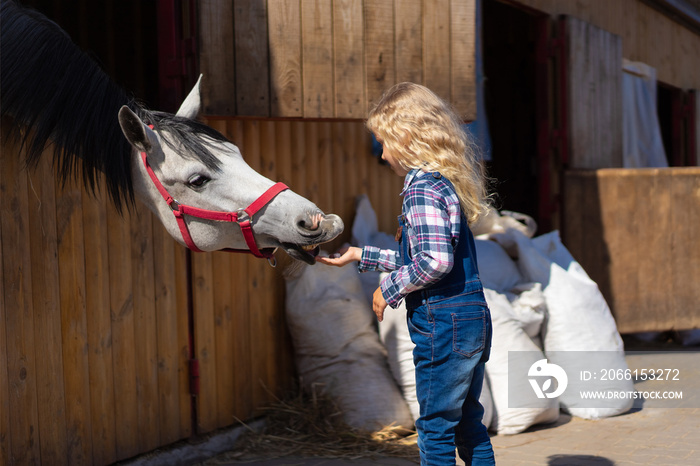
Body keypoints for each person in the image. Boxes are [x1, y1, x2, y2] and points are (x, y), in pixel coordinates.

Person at [317, 82, 495, 465]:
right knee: (467, 422)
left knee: (434, 427)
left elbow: (433, 264)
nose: (381, 155)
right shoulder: (444, 184)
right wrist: (358, 254)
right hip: (469, 318)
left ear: (408, 137)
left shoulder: (421, 190)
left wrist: (388, 290)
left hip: (444, 323)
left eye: (383, 142)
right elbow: (423, 257)